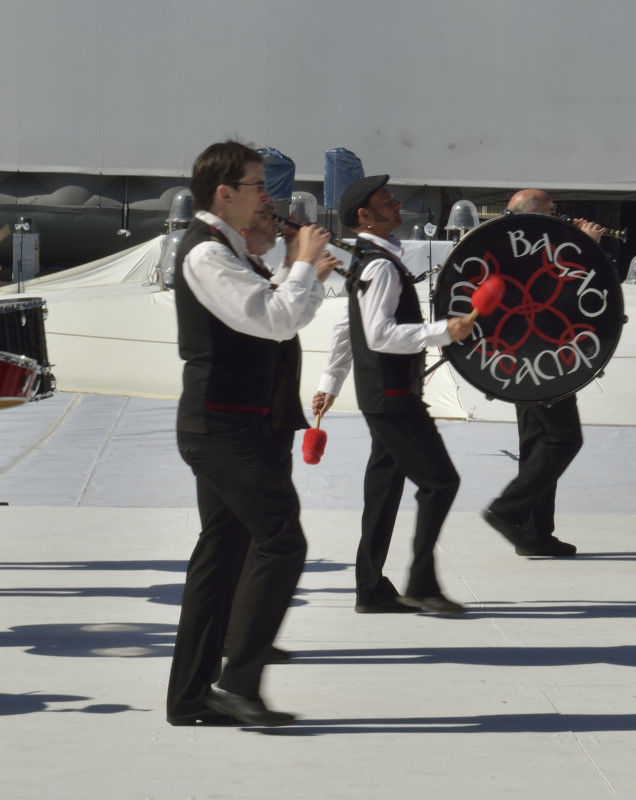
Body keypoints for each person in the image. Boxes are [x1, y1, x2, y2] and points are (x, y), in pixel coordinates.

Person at [166, 141, 334, 728]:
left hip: (236, 424)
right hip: (219, 427)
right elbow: (276, 319)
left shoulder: (235, 252)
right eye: (259, 186)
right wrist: (303, 266)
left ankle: (191, 696)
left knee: (222, 555)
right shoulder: (207, 256)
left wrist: (296, 266)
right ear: (224, 192)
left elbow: (281, 319)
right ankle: (238, 683)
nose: (269, 197)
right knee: (282, 540)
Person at [312, 175, 473, 615]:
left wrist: (330, 382)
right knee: (441, 482)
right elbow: (379, 335)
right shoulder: (379, 265)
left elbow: (349, 326)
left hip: (381, 394)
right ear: (365, 215)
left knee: (384, 490)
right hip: (393, 395)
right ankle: (421, 584)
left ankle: (370, 588)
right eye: (387, 202)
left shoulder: (368, 259)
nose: (397, 204)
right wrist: (445, 331)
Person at [480, 189, 602, 558]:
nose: (559, 217)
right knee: (563, 439)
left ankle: (533, 532)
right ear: (533, 214)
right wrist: (586, 247)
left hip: (523, 355)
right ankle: (509, 510)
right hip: (543, 353)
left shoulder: (510, 244)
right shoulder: (529, 247)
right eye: (552, 212)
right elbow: (560, 293)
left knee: (537, 442)